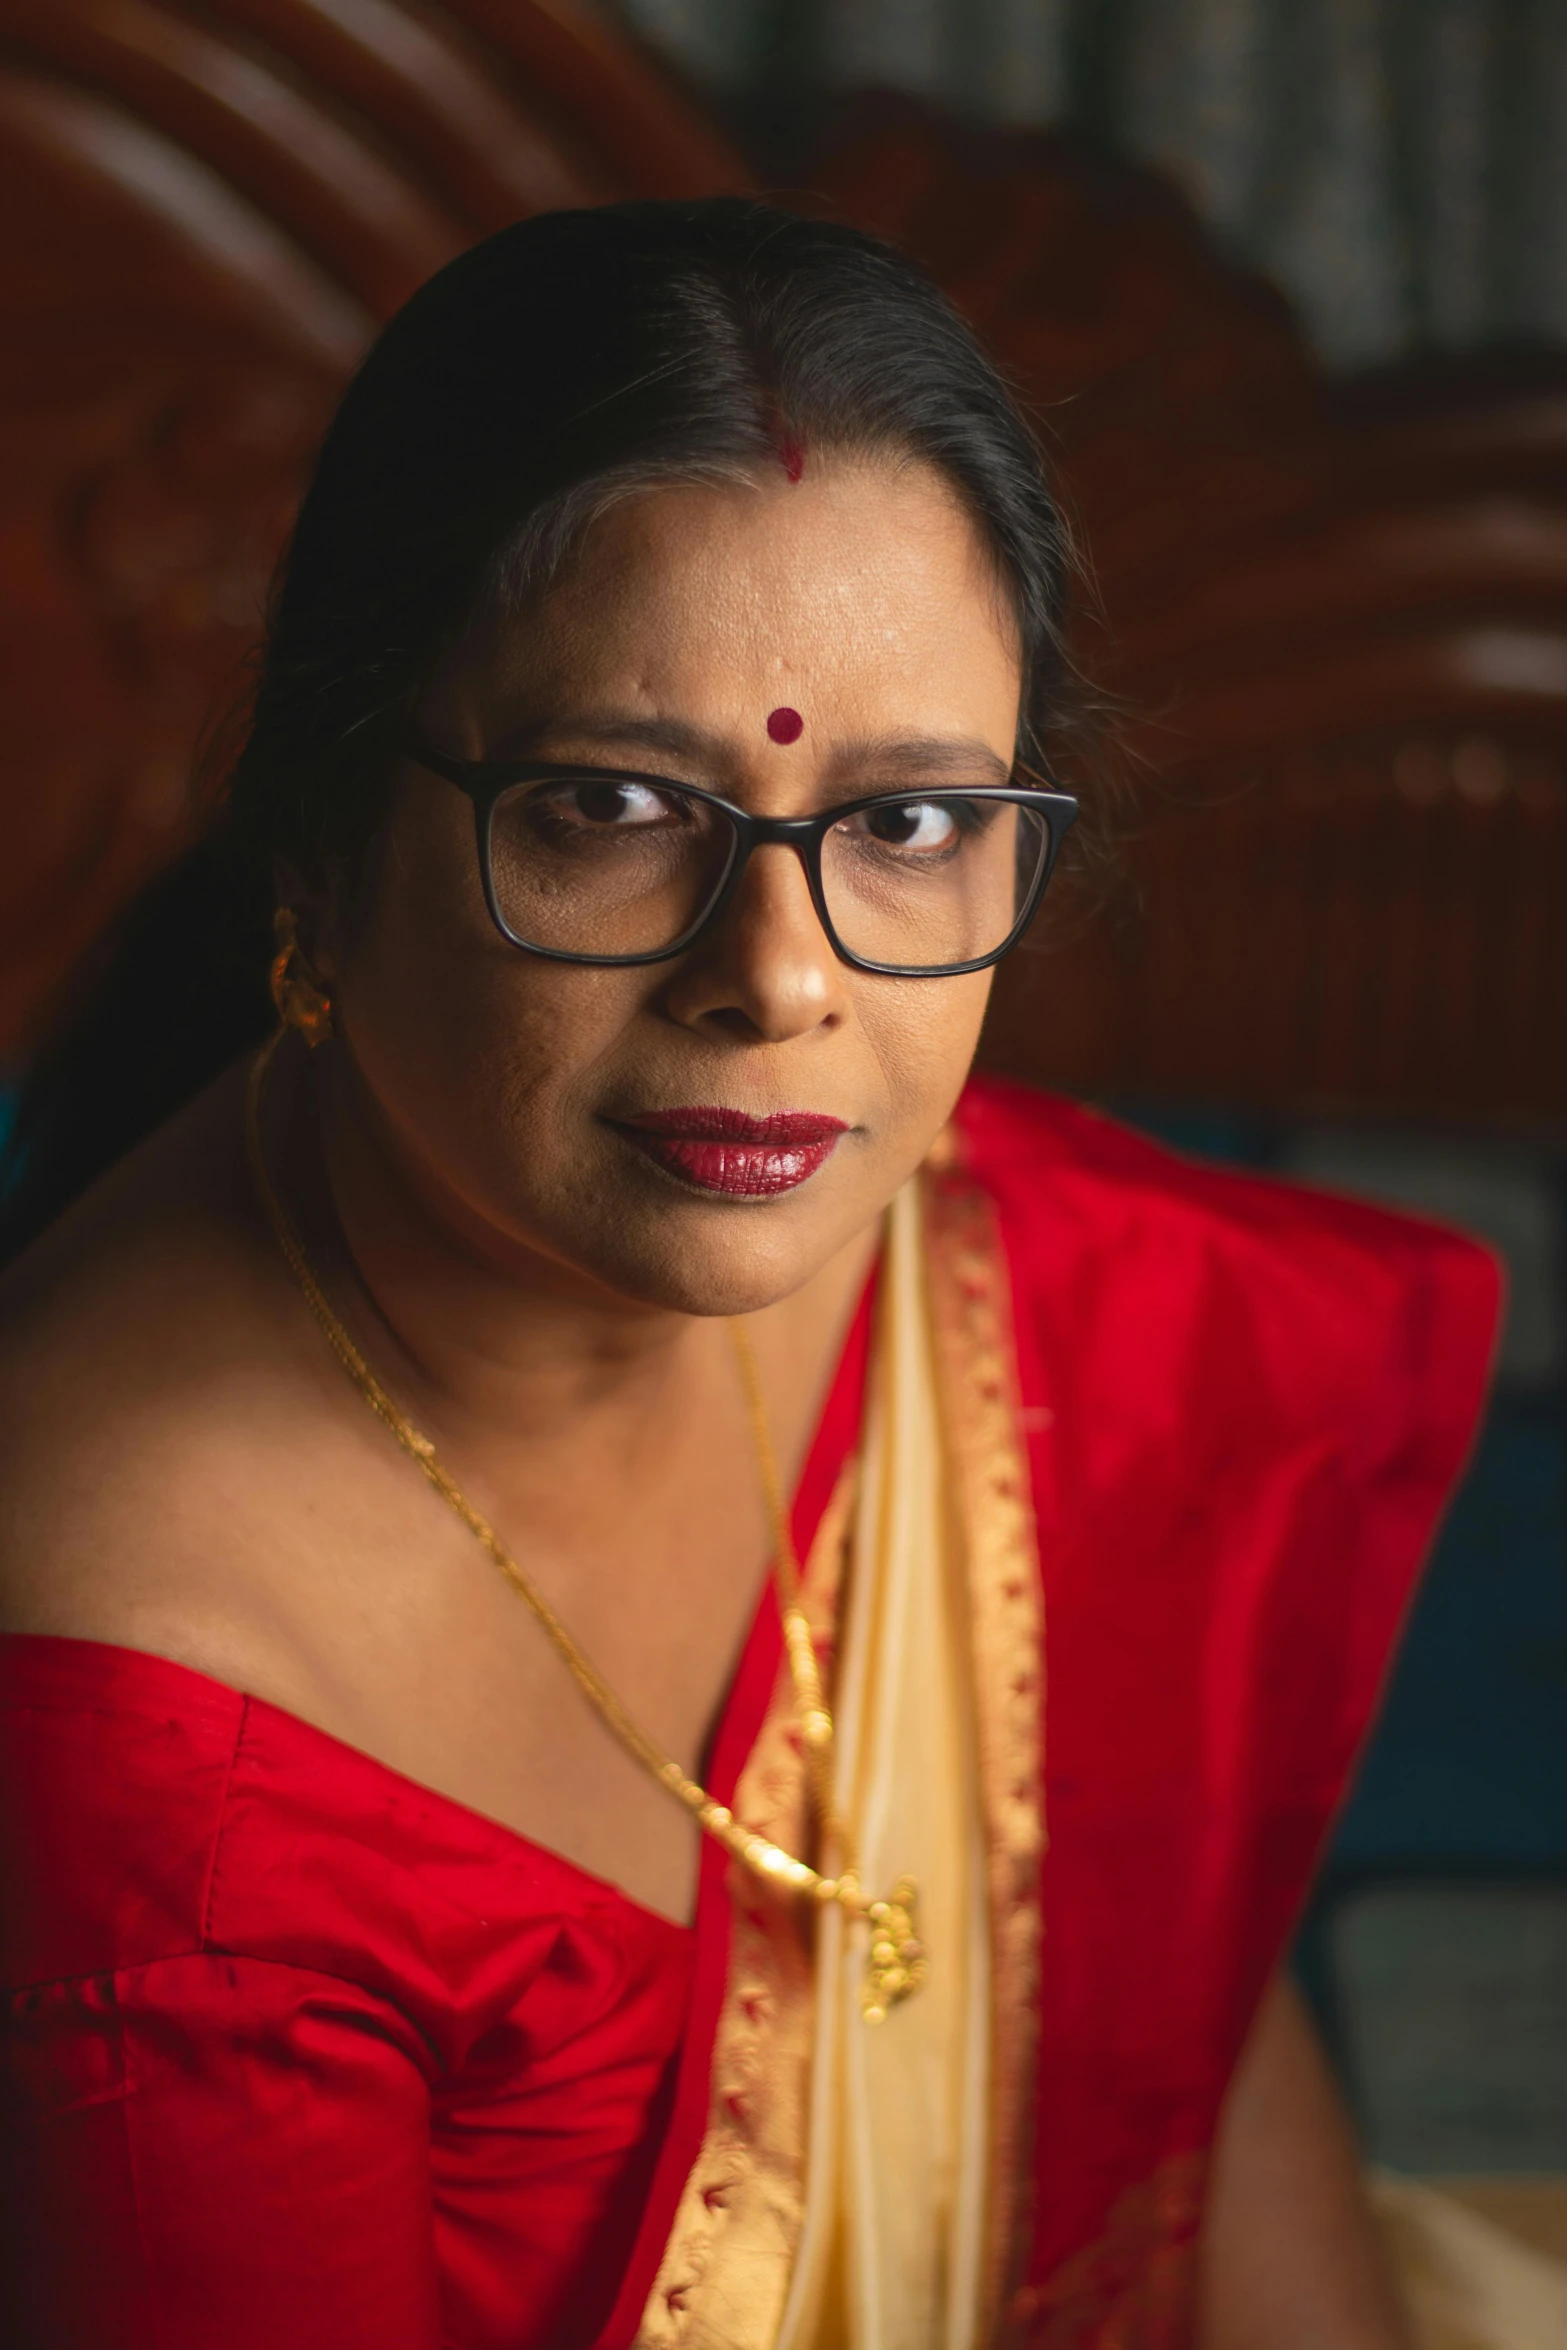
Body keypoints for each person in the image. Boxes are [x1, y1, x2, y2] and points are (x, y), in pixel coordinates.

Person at [0, 199, 1496, 2350]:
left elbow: (1151, 2016)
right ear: (322, 842)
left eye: (904, 826)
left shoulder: (951, 1257)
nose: (779, 981)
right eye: (612, 802)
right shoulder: (151, 1761)